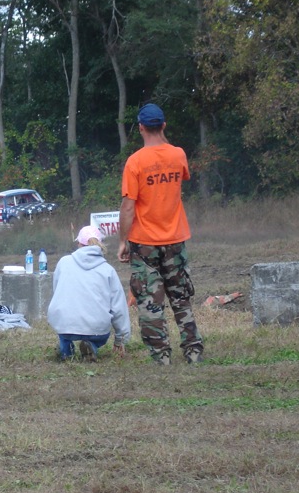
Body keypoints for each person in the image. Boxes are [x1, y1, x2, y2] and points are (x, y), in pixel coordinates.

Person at [118, 103, 204, 365]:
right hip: (176, 240)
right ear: (164, 125)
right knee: (181, 297)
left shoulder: (135, 162)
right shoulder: (178, 155)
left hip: (144, 243)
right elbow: (183, 176)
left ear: (141, 127)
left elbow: (129, 206)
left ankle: (161, 357)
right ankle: (193, 352)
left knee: (150, 301)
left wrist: (123, 241)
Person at [47, 225, 131, 362]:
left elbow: (58, 292)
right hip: (96, 328)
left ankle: (65, 351)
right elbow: (119, 308)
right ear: (100, 244)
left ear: (79, 243)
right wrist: (121, 340)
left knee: (65, 330)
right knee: (97, 333)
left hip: (65, 325)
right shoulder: (108, 270)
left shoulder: (63, 263)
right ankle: (91, 345)